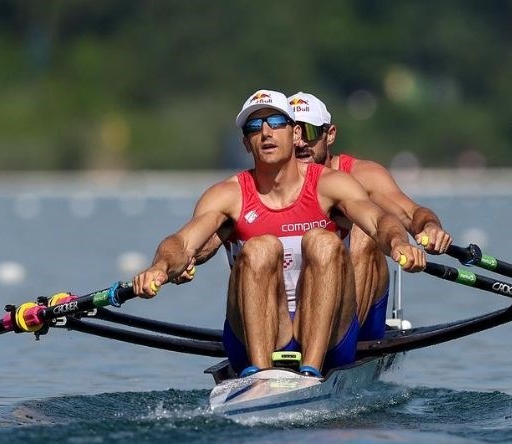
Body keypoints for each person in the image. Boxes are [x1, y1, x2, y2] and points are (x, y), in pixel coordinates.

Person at [131, 90, 425, 378]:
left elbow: (378, 221)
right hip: (257, 335)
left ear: (295, 134)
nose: (266, 132)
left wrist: (399, 242)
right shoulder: (227, 195)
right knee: (261, 248)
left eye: (276, 123)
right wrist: (160, 267)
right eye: (255, 127)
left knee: (322, 240)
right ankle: (260, 374)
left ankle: (310, 371)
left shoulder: (331, 185)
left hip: (329, 335)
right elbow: (181, 243)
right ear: (247, 143)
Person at [287, 91, 452, 341]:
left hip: (358, 316)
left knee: (363, 233)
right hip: (296, 309)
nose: (299, 144)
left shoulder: (363, 175)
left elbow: (411, 213)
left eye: (308, 132)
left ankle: (344, 343)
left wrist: (429, 227)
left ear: (329, 135)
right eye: (291, 134)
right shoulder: (268, 184)